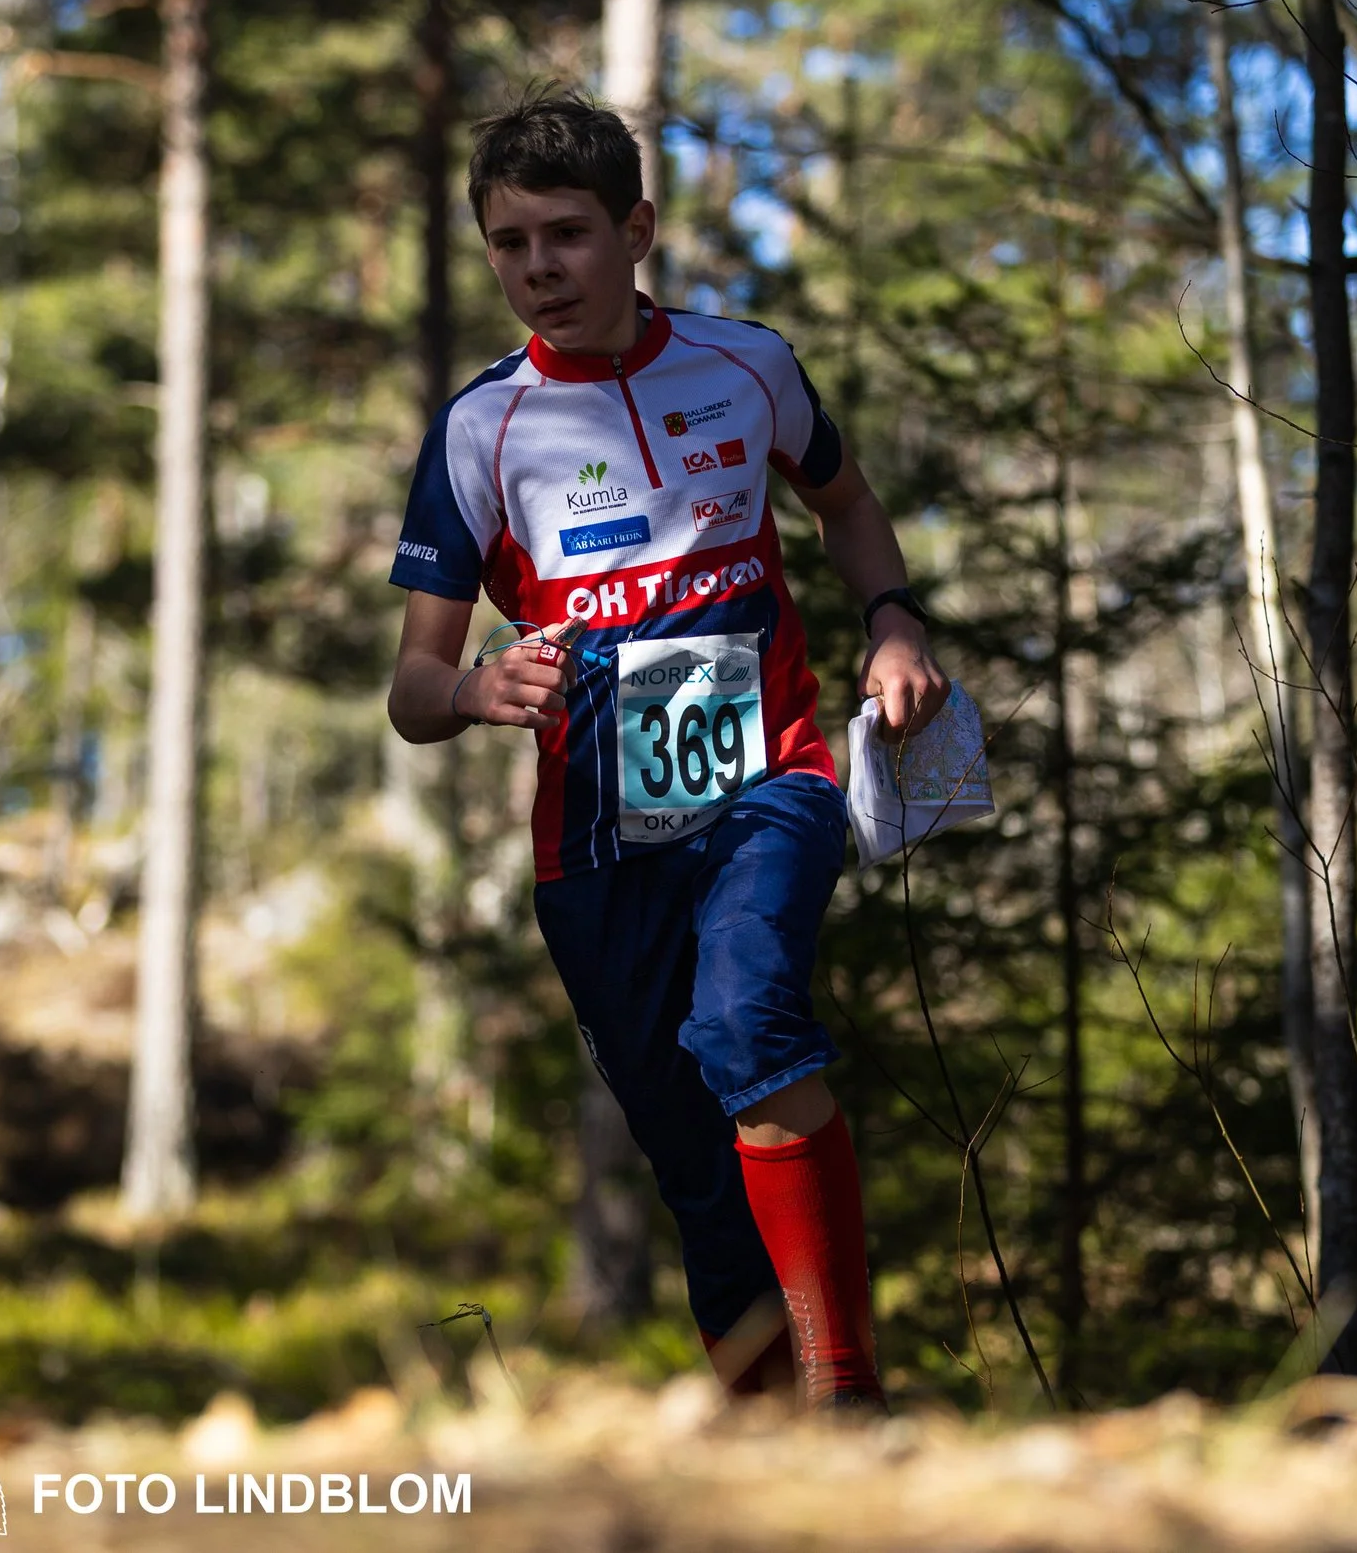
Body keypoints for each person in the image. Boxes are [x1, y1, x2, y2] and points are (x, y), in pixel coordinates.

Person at [384, 91, 949, 1410]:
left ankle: (847, 1393)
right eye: (510, 242)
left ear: (635, 231)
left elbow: (847, 504)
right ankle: (766, 1437)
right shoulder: (479, 428)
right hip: (595, 845)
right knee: (694, 1159)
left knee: (749, 1023)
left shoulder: (747, 364)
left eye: (567, 234)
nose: (539, 267)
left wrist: (895, 620)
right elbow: (412, 688)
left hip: (771, 773)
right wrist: (473, 688)